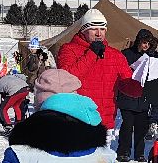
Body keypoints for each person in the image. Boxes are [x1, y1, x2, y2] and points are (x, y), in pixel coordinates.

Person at [57, 9, 135, 139]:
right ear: (84, 30)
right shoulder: (68, 50)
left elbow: (127, 85)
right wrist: (92, 54)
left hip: (105, 122)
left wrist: (143, 85)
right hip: (77, 119)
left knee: (103, 159)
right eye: (94, 29)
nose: (99, 33)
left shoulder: (115, 55)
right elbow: (67, 80)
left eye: (102, 29)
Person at [116, 29, 156, 161]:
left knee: (141, 127)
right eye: (144, 42)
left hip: (143, 97)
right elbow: (119, 72)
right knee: (127, 126)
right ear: (138, 41)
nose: (146, 46)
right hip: (127, 94)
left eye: (148, 44)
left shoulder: (151, 57)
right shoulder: (126, 54)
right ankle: (123, 152)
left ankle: (139, 153)